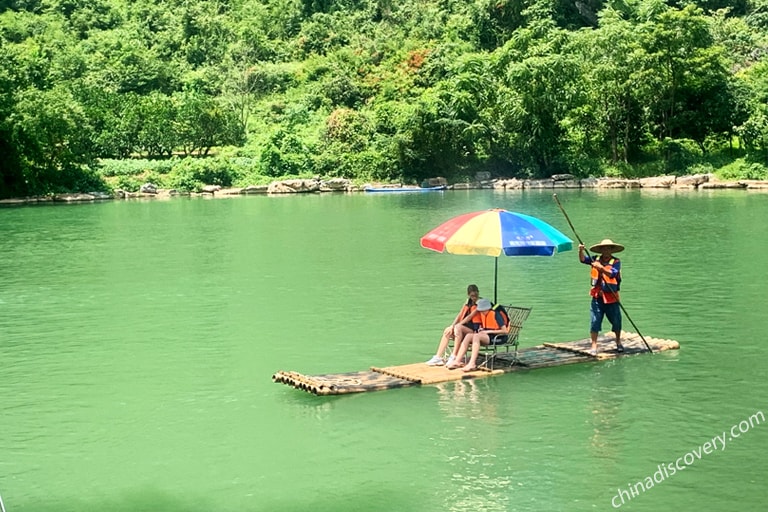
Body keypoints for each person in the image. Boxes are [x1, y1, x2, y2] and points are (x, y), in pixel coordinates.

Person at [579, 238, 625, 356]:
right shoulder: (595, 259)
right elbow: (583, 260)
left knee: (616, 321)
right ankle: (594, 345)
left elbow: (612, 273)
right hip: (597, 297)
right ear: (601, 250)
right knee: (595, 321)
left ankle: (618, 342)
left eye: (608, 248)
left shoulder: (616, 262)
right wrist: (581, 250)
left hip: (611, 297)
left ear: (611, 250)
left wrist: (600, 268)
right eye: (604, 248)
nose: (606, 250)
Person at [425, 284, 482, 366]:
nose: (474, 297)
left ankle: (454, 356)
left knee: (457, 328)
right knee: (447, 330)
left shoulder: (480, 304)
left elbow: (469, 317)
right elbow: (460, 315)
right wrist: (452, 325)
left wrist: (456, 326)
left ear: (478, 293)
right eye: (472, 296)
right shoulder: (467, 302)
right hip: (463, 328)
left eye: (476, 295)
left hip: (473, 331)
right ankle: (438, 357)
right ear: (468, 295)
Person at [446, 298, 510, 372]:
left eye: (483, 310)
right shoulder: (482, 314)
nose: (482, 312)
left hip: (499, 338)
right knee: (469, 335)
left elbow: (505, 331)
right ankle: (457, 361)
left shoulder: (496, 314)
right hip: (488, 336)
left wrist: (488, 332)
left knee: (476, 336)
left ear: (487, 308)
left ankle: (472, 364)